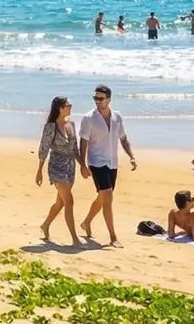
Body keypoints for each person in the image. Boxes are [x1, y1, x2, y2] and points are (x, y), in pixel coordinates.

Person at [78, 84, 137, 245]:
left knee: (103, 198)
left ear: (109, 100)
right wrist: (82, 165)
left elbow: (123, 138)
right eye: (95, 98)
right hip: (97, 162)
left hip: (112, 163)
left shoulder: (117, 117)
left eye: (101, 98)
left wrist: (131, 156)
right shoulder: (89, 118)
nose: (97, 101)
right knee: (108, 197)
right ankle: (113, 237)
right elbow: (83, 142)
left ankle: (86, 222)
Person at [36, 96, 80, 245]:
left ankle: (46, 224)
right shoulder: (51, 127)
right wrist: (39, 171)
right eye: (68, 105)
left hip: (70, 167)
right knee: (69, 201)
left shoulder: (71, 124)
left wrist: (83, 166)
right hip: (56, 167)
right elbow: (44, 148)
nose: (70, 108)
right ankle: (75, 238)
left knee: (60, 203)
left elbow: (75, 148)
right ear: (60, 108)